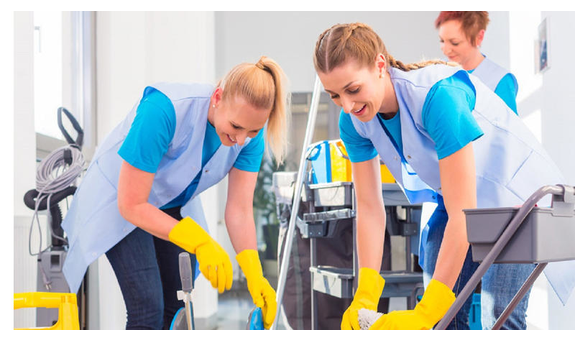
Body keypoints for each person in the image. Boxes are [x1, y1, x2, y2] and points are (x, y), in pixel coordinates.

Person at [313, 22, 565, 330]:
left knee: (499, 316)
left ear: (380, 65)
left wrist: (426, 311)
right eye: (335, 95)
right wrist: (366, 292)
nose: (348, 106)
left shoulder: (438, 96)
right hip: (455, 198)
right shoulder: (353, 123)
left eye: (353, 89)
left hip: (513, 198)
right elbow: (368, 207)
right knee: (444, 320)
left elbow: (463, 213)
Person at [61, 56, 289, 330]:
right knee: (147, 308)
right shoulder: (163, 109)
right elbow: (132, 204)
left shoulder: (250, 136)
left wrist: (255, 274)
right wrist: (201, 241)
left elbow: (239, 211)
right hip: (122, 201)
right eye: (237, 127)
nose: (241, 140)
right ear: (217, 97)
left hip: (171, 205)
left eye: (252, 131)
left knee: (177, 305)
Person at [435, 11, 519, 114]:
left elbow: (508, 129)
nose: (446, 50)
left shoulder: (500, 81)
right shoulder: (435, 72)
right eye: (442, 41)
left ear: (479, 37)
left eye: (455, 43)